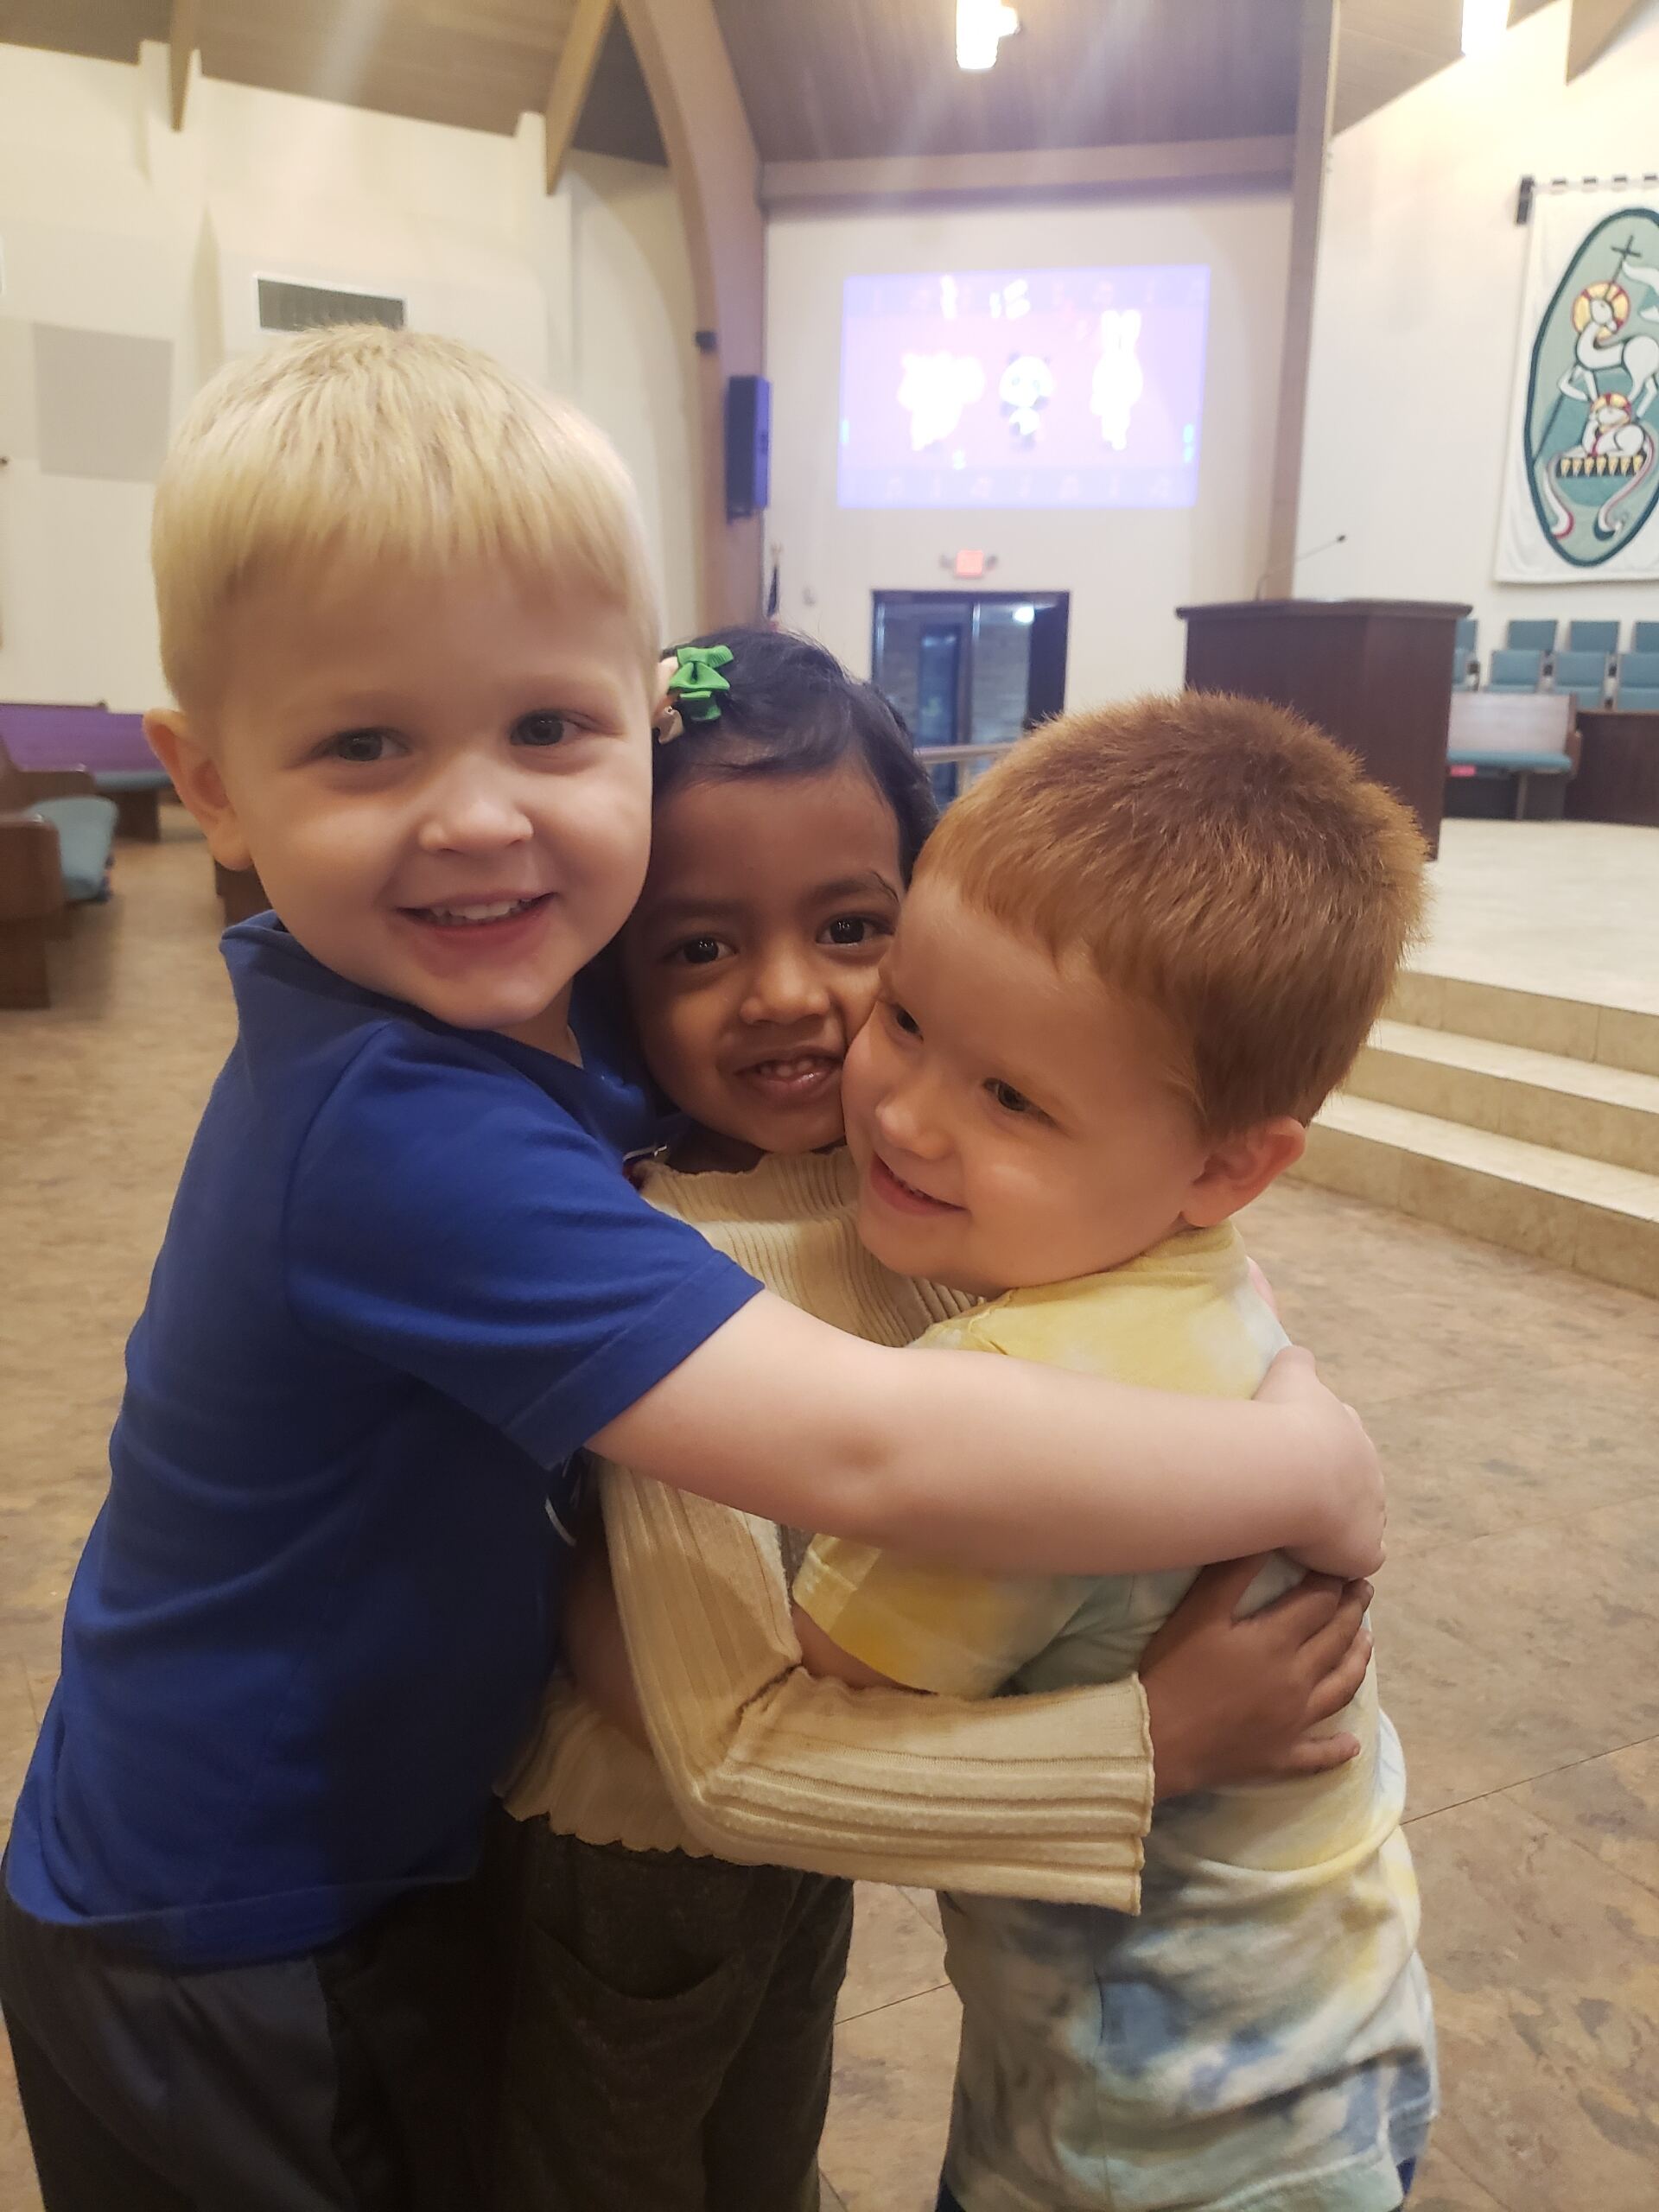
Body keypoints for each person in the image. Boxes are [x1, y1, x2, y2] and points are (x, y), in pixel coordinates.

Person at [0, 329, 1382, 2212]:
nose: (481, 813)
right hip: (227, 1912)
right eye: (364, 742)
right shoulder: (405, 1127)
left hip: (344, 1848)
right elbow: (877, 1454)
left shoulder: (517, 1024)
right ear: (208, 781)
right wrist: (1306, 1460)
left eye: (546, 731)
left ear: (636, 722)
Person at [499, 628, 1377, 2212]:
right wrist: (1152, 1742)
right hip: (633, 1862)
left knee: (769, 2158)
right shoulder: (660, 1261)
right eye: (697, 947)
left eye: (854, 934)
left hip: (827, 1865)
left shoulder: (924, 1198)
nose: (800, 1006)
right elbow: (733, 1748)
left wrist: (1308, 1443)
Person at [794, 695, 1439, 2212]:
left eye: (1010, 1096)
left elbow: (822, 1698)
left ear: (1230, 1162)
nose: (905, 1110)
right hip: (1338, 2049)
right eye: (904, 1016)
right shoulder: (1201, 1284)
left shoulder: (1008, 1397)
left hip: (1142, 2137)